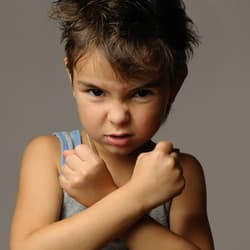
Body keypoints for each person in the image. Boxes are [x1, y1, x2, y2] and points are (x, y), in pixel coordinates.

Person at [10, 0, 214, 249]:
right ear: (71, 76)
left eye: (141, 93)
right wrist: (135, 198)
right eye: (96, 92)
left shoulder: (178, 172)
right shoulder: (50, 155)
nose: (118, 117)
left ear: (176, 84)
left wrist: (102, 195)